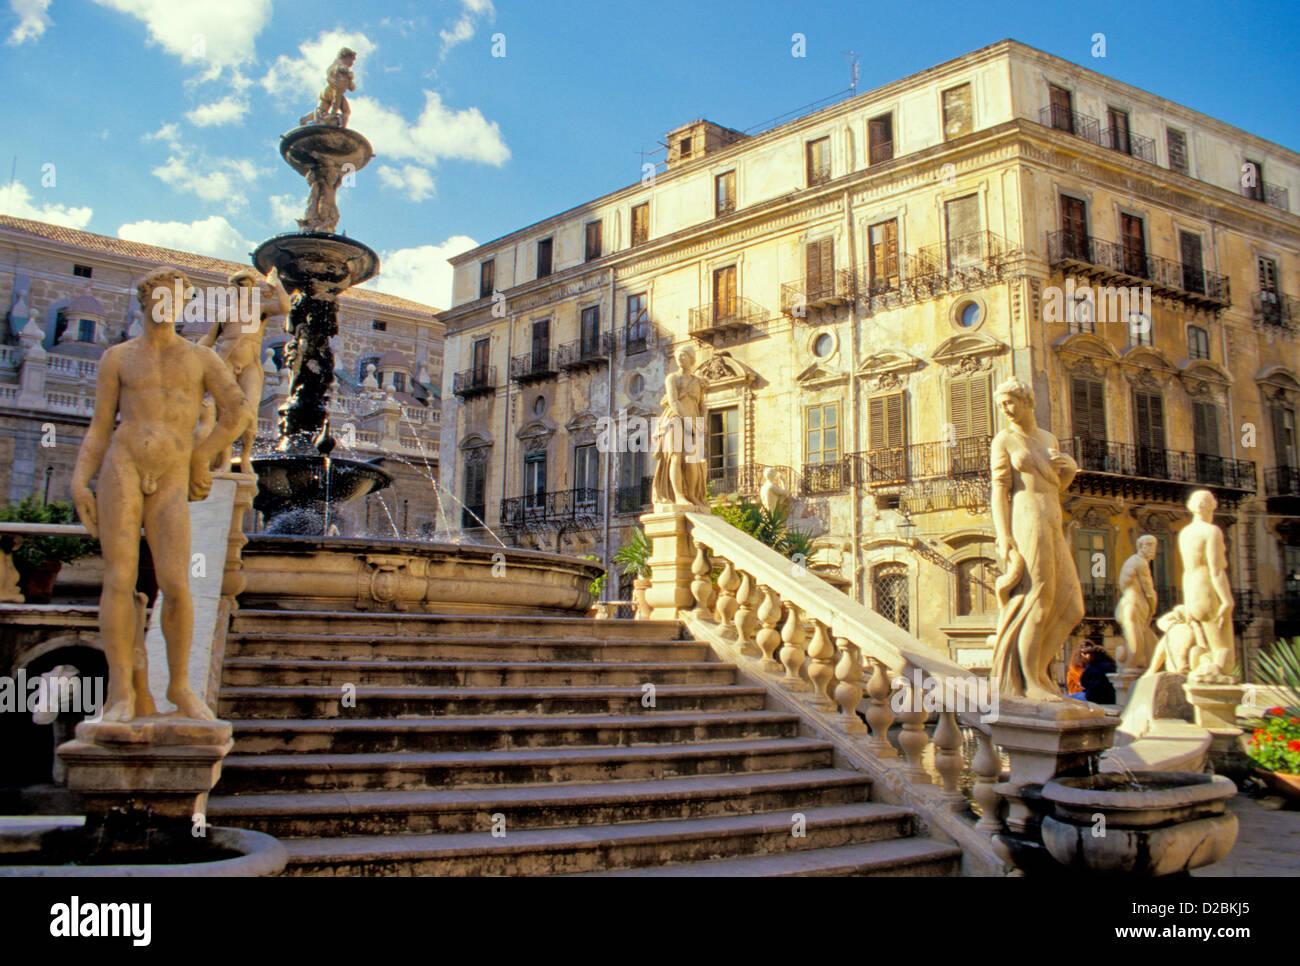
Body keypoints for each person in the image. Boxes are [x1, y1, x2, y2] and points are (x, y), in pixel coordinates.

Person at [70, 266, 247, 723]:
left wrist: (200, 456)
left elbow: (239, 410)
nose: (167, 305)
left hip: (171, 471)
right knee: (118, 577)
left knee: (176, 583)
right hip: (122, 465)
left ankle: (180, 685)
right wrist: (78, 480)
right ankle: (120, 691)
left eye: (176, 298)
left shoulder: (201, 359)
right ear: (145, 301)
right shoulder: (118, 358)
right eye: (159, 297)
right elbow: (98, 427)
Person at [988, 377, 1084, 701]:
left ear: (1028, 401)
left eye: (1010, 402)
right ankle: (1029, 681)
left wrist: (1070, 469)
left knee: (1072, 606)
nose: (1005, 409)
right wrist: (1004, 536)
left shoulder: (1047, 438)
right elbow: (999, 491)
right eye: (1001, 405)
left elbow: (1058, 484)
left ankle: (1039, 672)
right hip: (1027, 516)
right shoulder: (1004, 440)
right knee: (1038, 600)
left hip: (1053, 517)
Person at [650, 344, 708, 506]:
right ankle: (679, 495)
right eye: (678, 355)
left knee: (692, 459)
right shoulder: (672, 378)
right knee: (676, 455)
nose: (680, 358)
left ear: (691, 358)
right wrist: (686, 421)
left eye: (684, 355)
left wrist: (702, 423)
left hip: (693, 421)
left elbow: (702, 405)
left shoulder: (698, 382)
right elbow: (674, 402)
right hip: (675, 420)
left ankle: (692, 495)